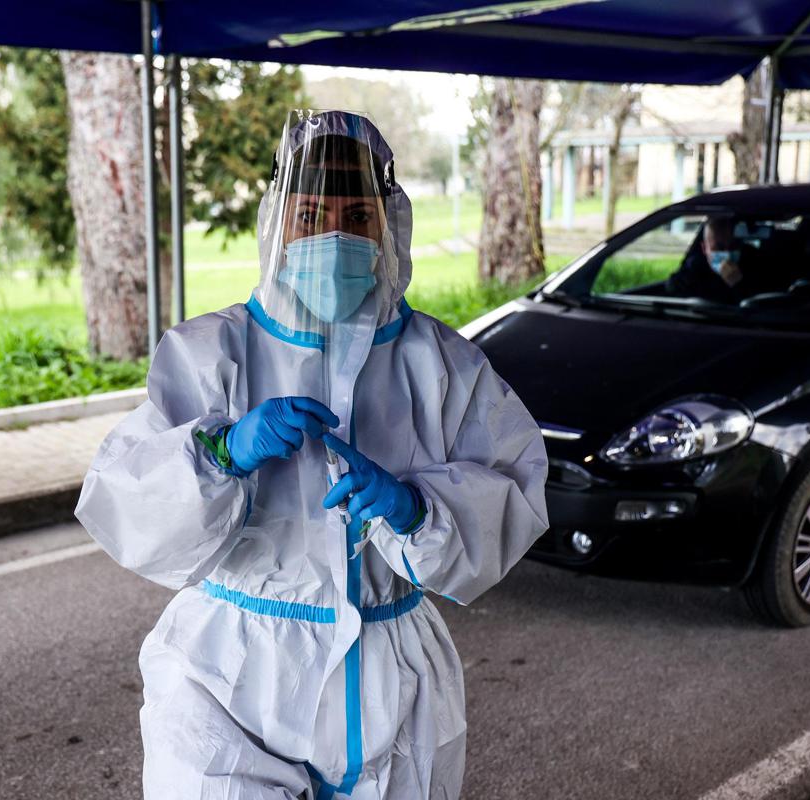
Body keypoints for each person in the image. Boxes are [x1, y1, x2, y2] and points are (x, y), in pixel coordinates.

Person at [75, 110, 549, 799]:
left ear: (388, 226)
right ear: (277, 224)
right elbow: (125, 499)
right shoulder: (210, 353)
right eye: (310, 216)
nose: (335, 237)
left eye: (357, 217)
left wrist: (419, 510)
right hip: (229, 680)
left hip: (395, 687)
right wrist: (219, 453)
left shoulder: (442, 363)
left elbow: (515, 486)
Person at [665, 215, 757, 303]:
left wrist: (738, 285)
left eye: (733, 246)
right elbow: (672, 289)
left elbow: (756, 305)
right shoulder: (694, 267)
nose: (727, 254)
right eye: (719, 248)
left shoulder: (752, 265)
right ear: (704, 248)